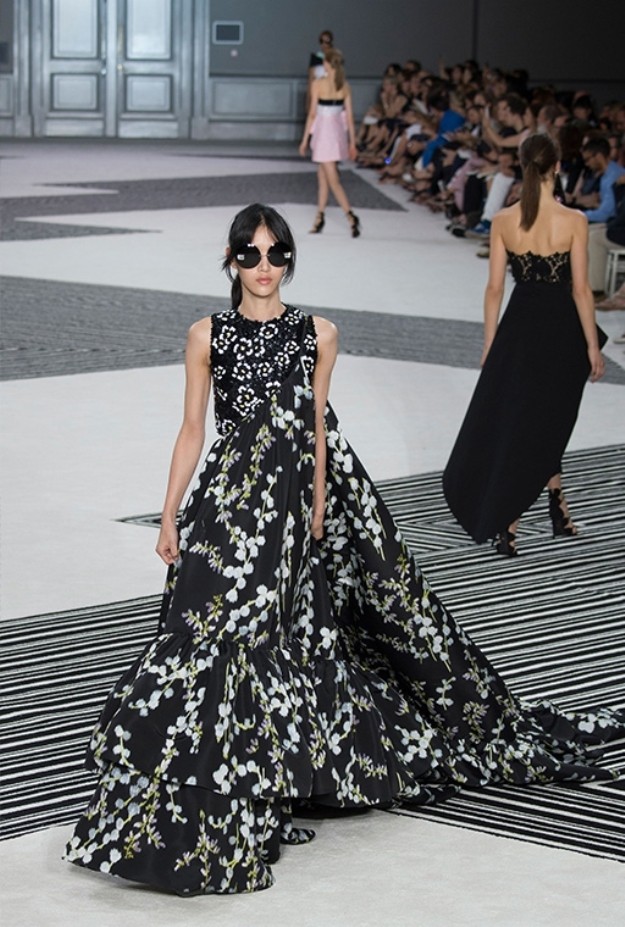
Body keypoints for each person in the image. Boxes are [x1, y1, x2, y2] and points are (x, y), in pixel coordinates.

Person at [64, 203, 623, 896]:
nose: (264, 267)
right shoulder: (205, 335)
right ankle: (180, 798)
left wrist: (318, 510)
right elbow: (191, 431)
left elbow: (319, 429)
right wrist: (169, 514)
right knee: (200, 629)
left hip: (290, 508)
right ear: (231, 260)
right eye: (250, 254)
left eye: (276, 253)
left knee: (268, 640)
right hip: (226, 502)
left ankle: (252, 791)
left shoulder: (319, 333)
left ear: (289, 259)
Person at [443, 134, 607, 556]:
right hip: (561, 331)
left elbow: (494, 289)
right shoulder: (573, 220)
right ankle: (512, 520)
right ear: (557, 167)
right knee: (546, 422)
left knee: (532, 420)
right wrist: (592, 346)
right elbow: (582, 290)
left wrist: (490, 343)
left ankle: (556, 507)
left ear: (521, 166)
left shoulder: (504, 220)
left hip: (518, 329)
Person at [299, 47, 360, 237]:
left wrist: (304, 140)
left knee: (333, 180)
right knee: (323, 177)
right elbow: (349, 118)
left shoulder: (318, 84)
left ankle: (351, 216)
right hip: (337, 134)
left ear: (327, 64)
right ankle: (320, 217)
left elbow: (312, 114)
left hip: (324, 135)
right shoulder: (345, 86)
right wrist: (352, 143)